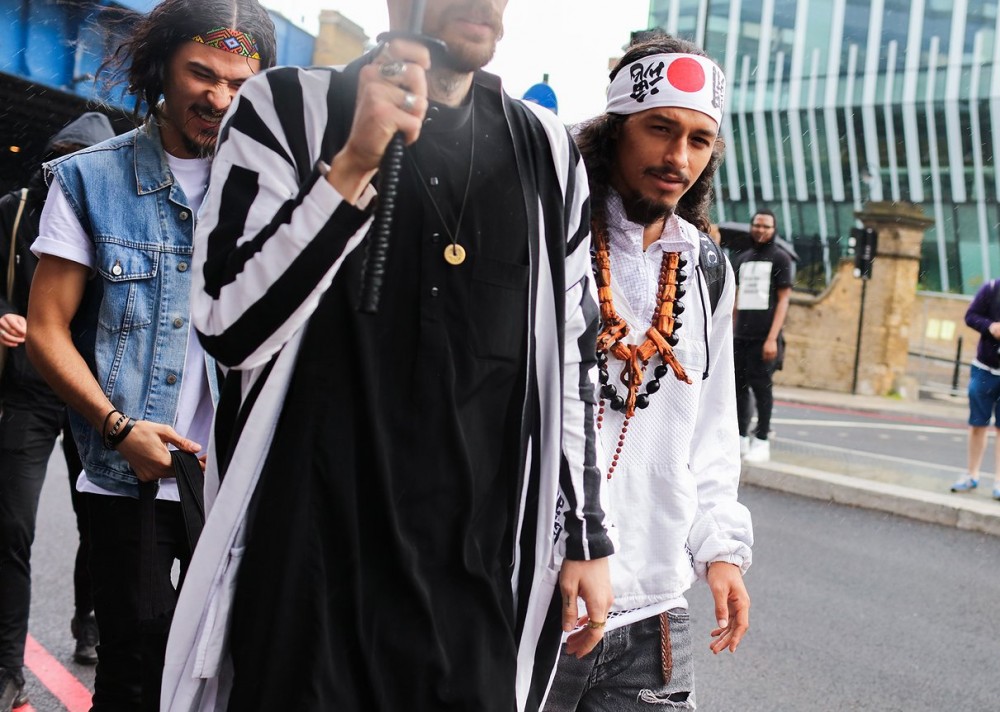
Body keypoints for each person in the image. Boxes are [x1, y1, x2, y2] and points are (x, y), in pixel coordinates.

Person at [162, 0, 614, 710]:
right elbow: (227, 326)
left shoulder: (548, 156)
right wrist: (350, 170)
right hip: (311, 584)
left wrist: (586, 536)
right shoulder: (288, 108)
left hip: (472, 595)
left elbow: (574, 362)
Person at [24, 2, 277, 709]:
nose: (219, 98)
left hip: (237, 474)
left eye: (238, 83)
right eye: (202, 74)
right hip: (131, 470)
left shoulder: (273, 192)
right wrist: (116, 428)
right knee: (136, 660)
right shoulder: (88, 180)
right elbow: (46, 328)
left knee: (232, 664)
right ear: (161, 64)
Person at [543, 36, 752, 710]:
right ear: (613, 131)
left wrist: (720, 547)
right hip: (537, 603)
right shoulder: (549, 241)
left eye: (698, 140)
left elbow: (712, 435)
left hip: (653, 617)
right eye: (660, 129)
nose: (677, 158)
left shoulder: (707, 270)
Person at [0, 111, 114, 712]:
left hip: (91, 394)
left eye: (80, 161)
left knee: (98, 525)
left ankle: (89, 622)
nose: (64, 173)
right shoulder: (15, 209)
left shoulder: (114, 209)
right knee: (12, 526)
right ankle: (6, 665)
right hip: (27, 389)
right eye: (58, 160)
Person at [951, 248, 1000, 502]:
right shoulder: (992, 289)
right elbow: (970, 316)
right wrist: (990, 327)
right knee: (977, 424)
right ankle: (971, 475)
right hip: (984, 366)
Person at [732, 208, 793, 462]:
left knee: (762, 389)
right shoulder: (742, 258)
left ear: (774, 229)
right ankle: (740, 437)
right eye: (757, 225)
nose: (761, 230)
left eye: (766, 226)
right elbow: (735, 299)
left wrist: (772, 338)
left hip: (764, 336)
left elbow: (783, 300)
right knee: (738, 388)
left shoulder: (780, 258)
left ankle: (762, 439)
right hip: (740, 335)